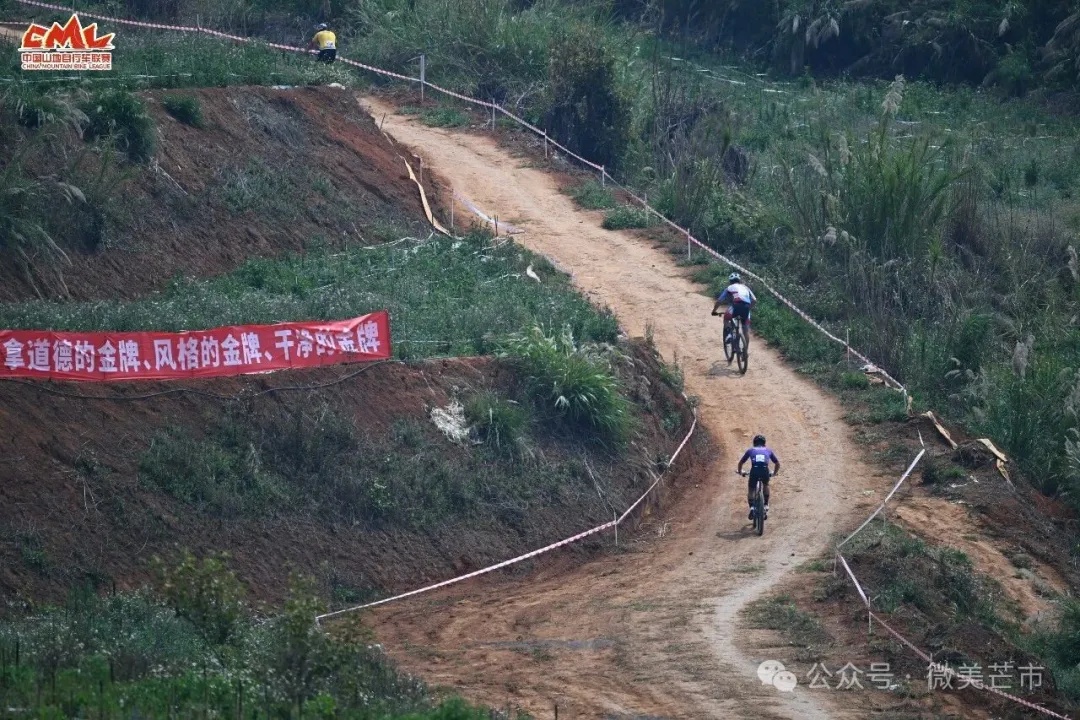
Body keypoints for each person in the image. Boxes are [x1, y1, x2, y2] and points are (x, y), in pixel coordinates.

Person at [737, 434, 780, 521]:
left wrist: (741, 472)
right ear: (764, 443)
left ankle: (752, 508)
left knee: (751, 489)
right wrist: (774, 473)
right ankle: (766, 505)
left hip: (754, 471)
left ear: (754, 443)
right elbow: (777, 463)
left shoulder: (750, 450)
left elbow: (741, 463)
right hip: (765, 470)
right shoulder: (768, 450)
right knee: (766, 484)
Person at [711, 272, 757, 350]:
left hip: (736, 306)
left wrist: (714, 311)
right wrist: (748, 308)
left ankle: (728, 335)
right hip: (746, 308)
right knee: (745, 330)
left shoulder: (729, 288)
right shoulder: (746, 287)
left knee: (726, 318)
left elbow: (719, 301)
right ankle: (745, 352)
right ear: (739, 280)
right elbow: (754, 300)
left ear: (730, 281)